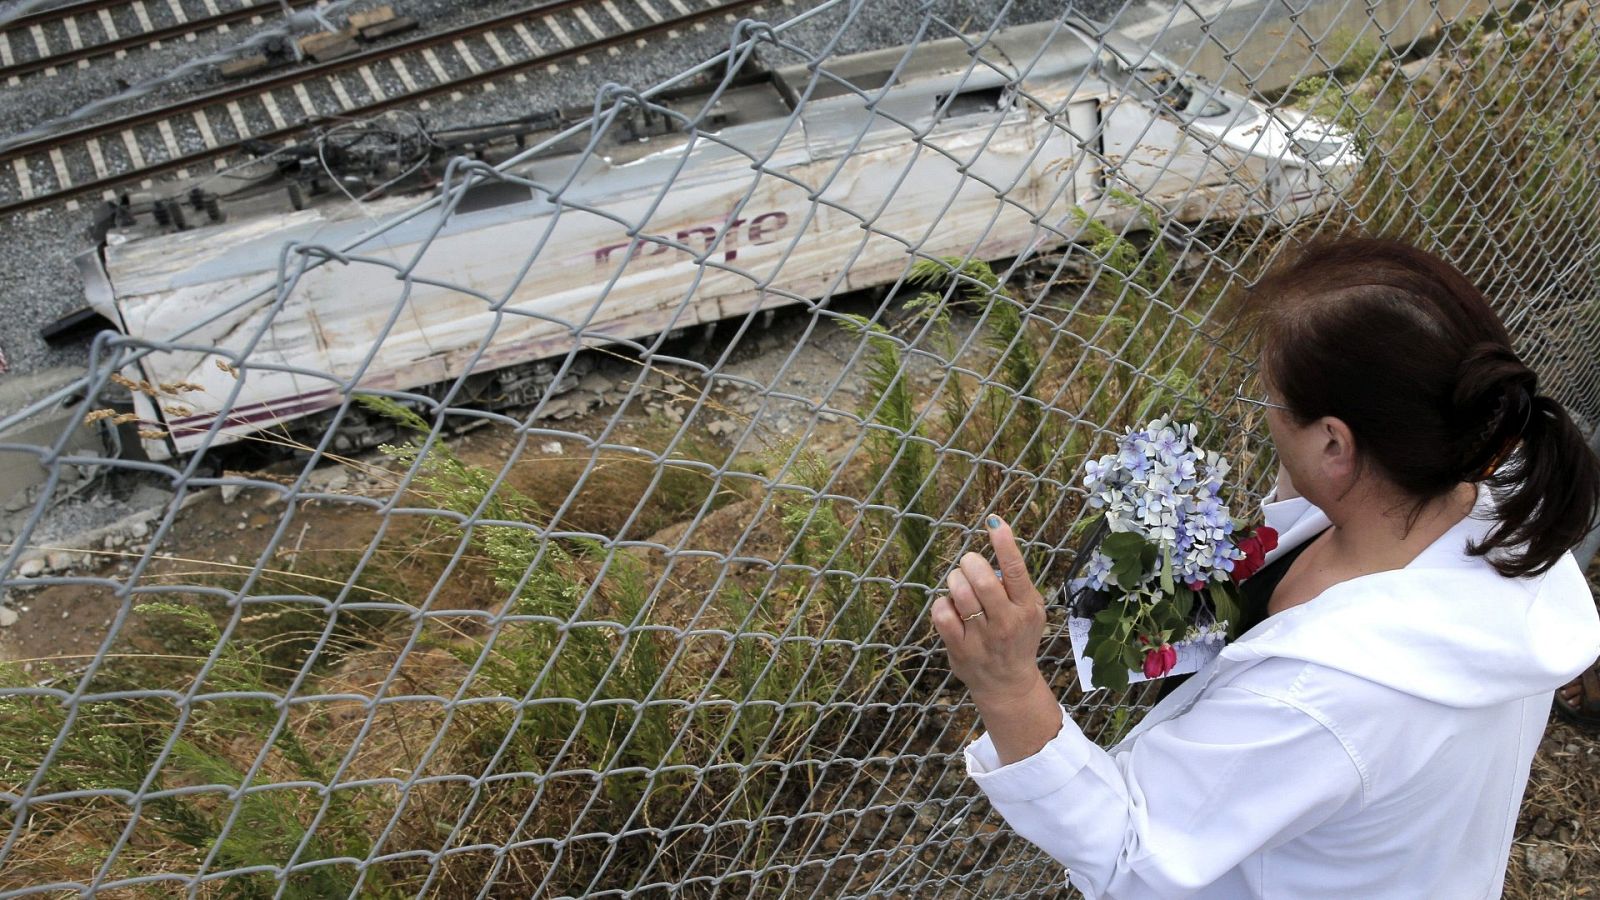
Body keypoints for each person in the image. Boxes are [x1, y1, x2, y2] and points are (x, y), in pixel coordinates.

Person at [934, 237, 1600, 898]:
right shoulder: (1502, 504)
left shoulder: (1319, 701)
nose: (1264, 423)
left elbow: (1131, 854)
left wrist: (1009, 687)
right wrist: (1307, 484)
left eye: (1272, 404)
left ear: (1338, 441)